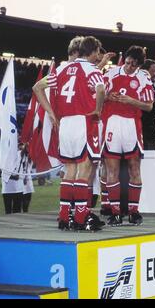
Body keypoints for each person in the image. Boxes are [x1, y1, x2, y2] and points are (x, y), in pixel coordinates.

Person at [33, 36, 106, 231]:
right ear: (92, 51)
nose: (99, 56)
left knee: (69, 170)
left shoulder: (63, 68)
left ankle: (64, 217)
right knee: (85, 169)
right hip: (84, 121)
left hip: (65, 123)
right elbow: (101, 89)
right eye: (98, 52)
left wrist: (51, 113)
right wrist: (98, 109)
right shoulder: (91, 70)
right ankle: (81, 218)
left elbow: (37, 88)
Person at [102, 45, 154, 226]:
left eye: (134, 65)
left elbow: (149, 106)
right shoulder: (110, 73)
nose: (129, 66)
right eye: (128, 62)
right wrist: (108, 96)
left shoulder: (143, 77)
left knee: (134, 168)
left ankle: (133, 211)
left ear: (139, 65)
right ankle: (115, 212)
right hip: (112, 123)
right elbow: (97, 95)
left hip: (131, 125)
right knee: (112, 169)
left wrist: (131, 101)